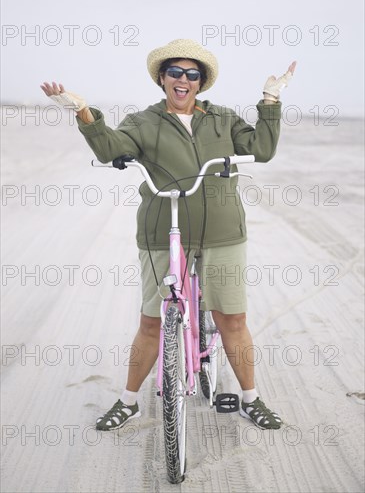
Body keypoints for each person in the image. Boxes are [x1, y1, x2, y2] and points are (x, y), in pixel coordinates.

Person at [41, 39, 296, 432]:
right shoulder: (143, 122)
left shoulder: (223, 118)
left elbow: (261, 150)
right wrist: (84, 112)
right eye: (175, 72)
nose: (183, 80)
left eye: (192, 74)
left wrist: (270, 100)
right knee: (151, 322)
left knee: (232, 318)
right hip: (163, 230)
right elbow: (112, 150)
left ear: (200, 82)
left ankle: (250, 398)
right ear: (162, 79)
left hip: (222, 231)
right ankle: (128, 401)